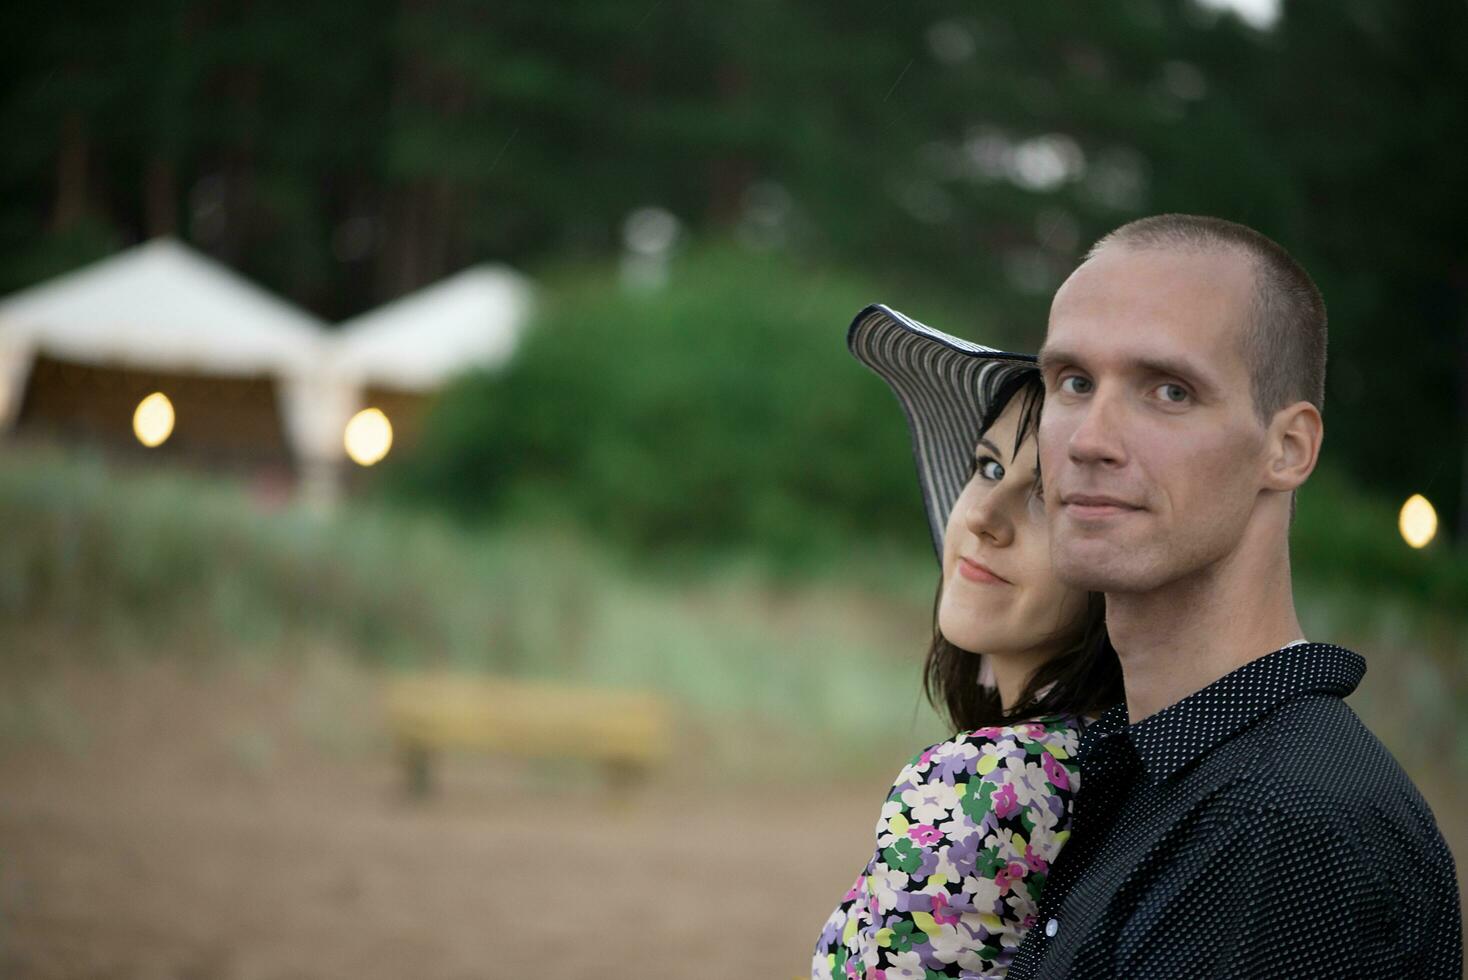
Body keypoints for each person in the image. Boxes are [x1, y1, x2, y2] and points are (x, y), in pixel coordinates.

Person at [1004, 214, 1462, 978]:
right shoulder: (1170, 767)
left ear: (1288, 449)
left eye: (1169, 391)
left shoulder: (1274, 824)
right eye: (1073, 383)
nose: (1089, 438)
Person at [811, 305, 1123, 980]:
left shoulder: (983, 782)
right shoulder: (1125, 758)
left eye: (1046, 496)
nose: (983, 518)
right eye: (986, 468)